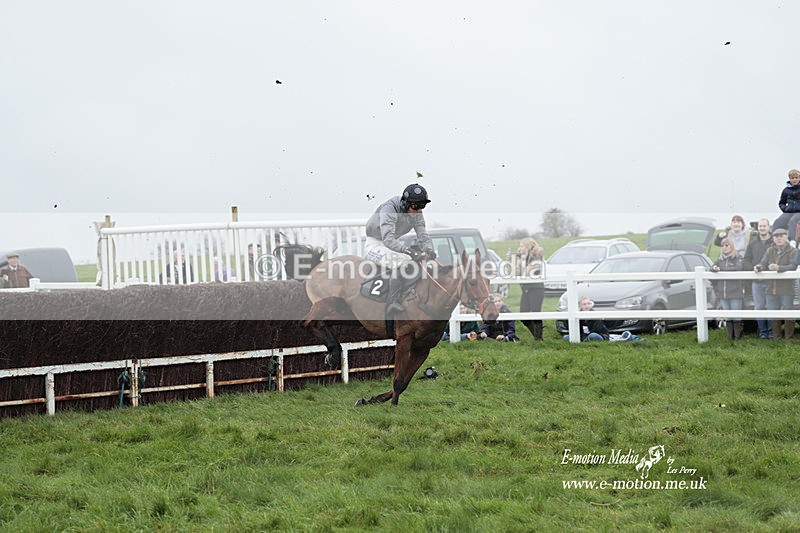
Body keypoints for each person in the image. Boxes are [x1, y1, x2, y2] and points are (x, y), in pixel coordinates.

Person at [364, 183, 435, 314]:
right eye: (415, 206)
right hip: (375, 244)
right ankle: (391, 303)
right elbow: (388, 239)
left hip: (392, 245)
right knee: (401, 263)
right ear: (405, 202)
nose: (418, 210)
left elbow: (422, 235)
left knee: (415, 263)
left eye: (421, 206)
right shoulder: (389, 209)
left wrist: (429, 249)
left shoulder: (416, 212)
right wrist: (410, 251)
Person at [755, 228, 797, 340]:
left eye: (781, 236)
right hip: (771, 288)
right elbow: (763, 263)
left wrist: (779, 268)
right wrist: (758, 267)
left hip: (787, 289)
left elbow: (793, 266)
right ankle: (776, 338)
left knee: (788, 313)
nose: (779, 239)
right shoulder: (769, 251)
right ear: (773, 238)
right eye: (776, 236)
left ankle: (789, 337)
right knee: (773, 314)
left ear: (786, 238)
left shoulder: (793, 251)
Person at [742, 218, 773, 338]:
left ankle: (771, 332)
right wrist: (752, 269)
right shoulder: (753, 243)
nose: (762, 228)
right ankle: (762, 332)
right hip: (756, 281)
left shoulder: (773, 242)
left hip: (771, 281)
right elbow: (746, 259)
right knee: (759, 306)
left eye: (764, 226)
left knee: (771, 307)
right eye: (760, 226)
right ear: (758, 228)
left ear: (769, 227)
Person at [711, 238, 746, 340]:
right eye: (723, 246)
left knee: (736, 315)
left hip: (735, 292)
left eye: (727, 245)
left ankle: (738, 337)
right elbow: (711, 267)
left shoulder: (738, 258)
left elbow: (737, 268)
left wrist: (721, 270)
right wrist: (714, 268)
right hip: (723, 292)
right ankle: (730, 337)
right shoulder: (720, 259)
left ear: (732, 246)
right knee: (727, 315)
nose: (724, 248)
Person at [512, 237, 545, 340]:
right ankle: (537, 337)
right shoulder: (523, 258)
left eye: (521, 246)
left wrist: (521, 260)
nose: (519, 249)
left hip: (536, 289)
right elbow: (515, 274)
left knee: (536, 313)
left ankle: (538, 338)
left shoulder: (536, 257)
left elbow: (527, 273)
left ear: (527, 246)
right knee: (523, 315)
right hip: (526, 289)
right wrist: (512, 261)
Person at [772, 169, 800, 242]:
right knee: (778, 221)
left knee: (793, 221)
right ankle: (772, 239)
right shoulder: (786, 190)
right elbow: (781, 203)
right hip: (789, 212)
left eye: (796, 178)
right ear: (789, 179)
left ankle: (791, 241)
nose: (794, 180)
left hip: (799, 212)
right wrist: (786, 209)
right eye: (792, 178)